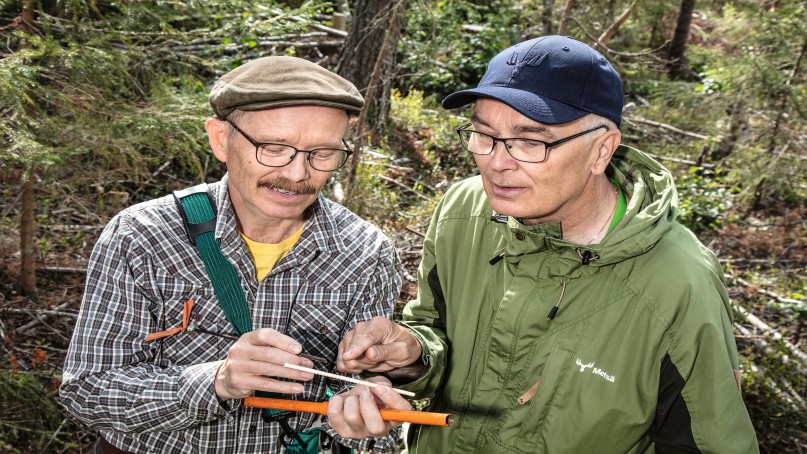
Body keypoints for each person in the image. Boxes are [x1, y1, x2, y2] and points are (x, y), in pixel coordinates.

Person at [327, 35, 759, 453]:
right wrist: (411, 357)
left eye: (530, 141)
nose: (496, 163)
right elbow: (436, 332)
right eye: (483, 135)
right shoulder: (464, 213)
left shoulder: (678, 283)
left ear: (601, 151)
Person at [60, 56, 403, 453]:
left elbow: (362, 395)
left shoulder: (366, 252)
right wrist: (217, 381)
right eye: (273, 148)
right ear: (220, 139)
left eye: (322, 154)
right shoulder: (143, 236)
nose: (296, 174)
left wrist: (370, 414)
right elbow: (87, 391)